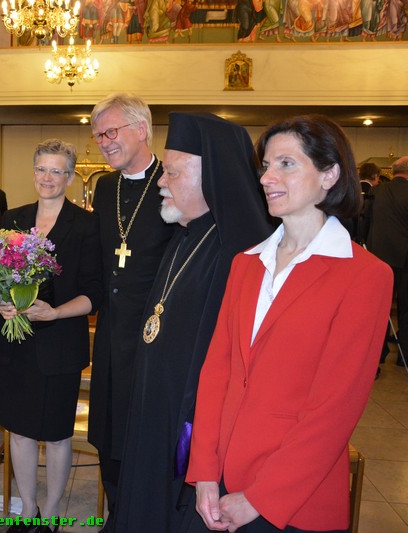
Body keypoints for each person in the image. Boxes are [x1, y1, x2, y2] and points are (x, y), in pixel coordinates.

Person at [185, 115, 393, 533]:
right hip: (223, 479)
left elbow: (335, 408)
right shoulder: (246, 263)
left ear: (330, 174)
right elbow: (217, 372)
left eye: (286, 164)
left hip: (294, 497)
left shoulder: (365, 275)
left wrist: (261, 498)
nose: (266, 177)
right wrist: (204, 470)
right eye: (266, 165)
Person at [113, 112, 271, 533]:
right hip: (153, 410)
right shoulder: (184, 236)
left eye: (172, 173)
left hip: (189, 431)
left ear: (211, 179)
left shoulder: (238, 254)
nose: (161, 183)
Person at [0, 139, 102, 533]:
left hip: (59, 345)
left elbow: (94, 293)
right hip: (15, 344)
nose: (48, 178)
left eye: (57, 171)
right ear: (33, 171)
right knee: (18, 431)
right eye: (42, 169)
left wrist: (54, 311)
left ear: (70, 177)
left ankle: (52, 512)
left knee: (55, 435)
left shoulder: (86, 225)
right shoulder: (12, 218)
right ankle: (28, 509)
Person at [87, 92, 175, 531]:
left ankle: (140, 517)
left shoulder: (172, 182)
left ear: (141, 129)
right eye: (98, 134)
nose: (102, 142)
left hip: (156, 336)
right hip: (110, 331)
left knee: (143, 428)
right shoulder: (105, 187)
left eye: (110, 132)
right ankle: (116, 511)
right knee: (107, 426)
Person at [367, 156, 408, 366]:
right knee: (406, 310)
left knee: (379, 310)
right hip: (406, 260)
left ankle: (378, 354)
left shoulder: (376, 192)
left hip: (379, 258)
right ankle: (404, 356)